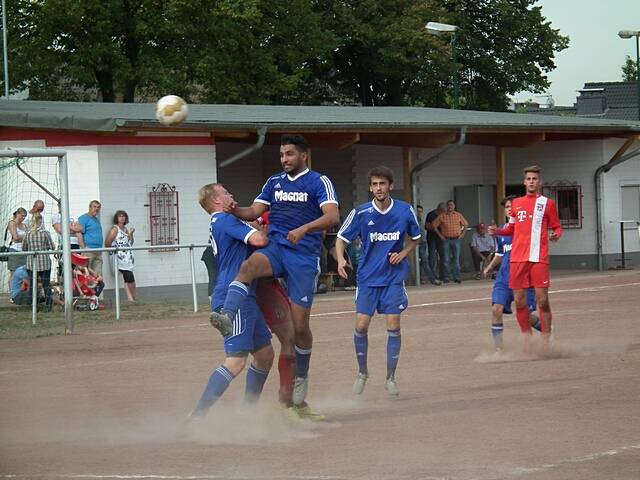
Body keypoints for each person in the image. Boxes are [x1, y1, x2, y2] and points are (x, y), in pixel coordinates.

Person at [210, 134, 339, 420]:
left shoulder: (319, 182)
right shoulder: (273, 182)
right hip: (277, 249)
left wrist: (305, 229)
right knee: (249, 268)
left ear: (304, 155)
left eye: (289, 154)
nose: (284, 159)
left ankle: (296, 389)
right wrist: (238, 210)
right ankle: (227, 315)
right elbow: (253, 211)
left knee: (299, 330)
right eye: (281, 155)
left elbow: (332, 217)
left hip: (303, 258)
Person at [189, 183, 274, 419]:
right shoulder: (226, 220)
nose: (231, 195)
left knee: (265, 355)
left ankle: (248, 411)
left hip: (247, 297)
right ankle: (198, 415)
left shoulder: (222, 222)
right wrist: (269, 227)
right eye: (226, 192)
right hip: (232, 297)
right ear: (216, 201)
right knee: (235, 362)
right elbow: (259, 240)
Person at [335, 166, 421, 396]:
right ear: (370, 187)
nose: (378, 188)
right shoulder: (361, 213)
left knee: (393, 326)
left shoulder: (404, 211)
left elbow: (415, 238)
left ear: (390, 186)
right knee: (361, 327)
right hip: (367, 279)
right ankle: (362, 372)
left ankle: (390, 378)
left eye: (382, 183)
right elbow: (341, 238)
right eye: (374, 184)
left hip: (393, 277)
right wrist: (341, 260)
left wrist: (403, 253)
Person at [489, 165, 562, 355]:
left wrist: (556, 234)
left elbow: (557, 227)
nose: (531, 181)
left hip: (538, 257)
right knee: (520, 301)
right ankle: (527, 338)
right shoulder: (517, 204)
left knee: (542, 300)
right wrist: (496, 231)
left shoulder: (548, 203)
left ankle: (546, 339)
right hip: (518, 259)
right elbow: (510, 229)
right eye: (528, 179)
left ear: (540, 182)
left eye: (534, 179)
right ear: (524, 182)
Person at [482, 196, 539, 352]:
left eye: (512, 206)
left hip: (525, 278)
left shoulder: (528, 229)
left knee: (525, 314)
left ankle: (543, 327)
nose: (509, 209)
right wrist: (490, 266)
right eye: (507, 207)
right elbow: (500, 253)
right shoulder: (501, 231)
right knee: (496, 310)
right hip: (504, 278)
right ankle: (499, 350)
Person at [21, 212, 55, 309]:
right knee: (46, 285)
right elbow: (52, 246)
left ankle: (31, 306)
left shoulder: (28, 234)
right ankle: (48, 306)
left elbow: (24, 248)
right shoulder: (45, 233)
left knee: (32, 286)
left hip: (31, 263)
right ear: (41, 221)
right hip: (44, 263)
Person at [432, 200, 468, 283]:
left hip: (456, 239)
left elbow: (466, 224)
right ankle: (446, 277)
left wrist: (463, 234)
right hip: (446, 240)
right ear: (446, 206)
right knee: (446, 259)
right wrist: (440, 235)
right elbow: (433, 225)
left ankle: (457, 277)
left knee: (456, 259)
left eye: (451, 205)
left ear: (454, 206)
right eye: (448, 205)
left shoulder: (458, 215)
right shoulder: (442, 216)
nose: (450, 207)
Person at [104, 210, 137, 302]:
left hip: (128, 256)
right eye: (120, 216)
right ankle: (132, 297)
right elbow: (107, 243)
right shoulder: (115, 229)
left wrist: (131, 234)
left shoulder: (126, 229)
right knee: (128, 276)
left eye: (123, 216)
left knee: (129, 278)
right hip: (119, 257)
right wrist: (114, 250)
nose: (122, 218)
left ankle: (132, 297)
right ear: (117, 218)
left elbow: (130, 242)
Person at [51, 208, 83, 278]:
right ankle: (64, 287)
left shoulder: (73, 215)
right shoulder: (56, 216)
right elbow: (60, 230)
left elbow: (80, 229)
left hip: (76, 245)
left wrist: (67, 227)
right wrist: (73, 228)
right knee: (65, 269)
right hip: (64, 245)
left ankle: (73, 287)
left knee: (75, 269)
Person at [416, 205, 441, 286]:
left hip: (423, 243)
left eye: (420, 211)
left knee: (423, 262)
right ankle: (432, 279)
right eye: (418, 211)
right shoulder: (412, 220)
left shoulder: (420, 221)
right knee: (424, 262)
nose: (419, 213)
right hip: (416, 244)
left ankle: (422, 278)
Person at [78, 200, 104, 276]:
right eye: (94, 206)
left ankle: (96, 288)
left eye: (98, 207)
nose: (96, 209)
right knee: (86, 273)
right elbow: (79, 233)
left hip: (98, 251)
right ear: (90, 207)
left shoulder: (96, 220)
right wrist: (84, 248)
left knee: (98, 275)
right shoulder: (83, 218)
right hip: (88, 250)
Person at [5, 208, 28, 293]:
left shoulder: (24, 225)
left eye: (25, 217)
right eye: (22, 216)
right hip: (14, 250)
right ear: (17, 214)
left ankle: (21, 292)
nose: (23, 218)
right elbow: (15, 238)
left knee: (23, 273)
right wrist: (25, 237)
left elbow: (21, 238)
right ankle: (12, 294)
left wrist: (22, 238)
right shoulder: (12, 223)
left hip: (24, 251)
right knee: (13, 273)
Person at [425, 202, 446, 280]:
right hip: (432, 238)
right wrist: (435, 226)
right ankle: (432, 276)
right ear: (439, 209)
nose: (445, 212)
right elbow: (426, 226)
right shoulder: (431, 215)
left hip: (442, 238)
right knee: (432, 258)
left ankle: (443, 275)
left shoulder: (445, 215)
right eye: (443, 210)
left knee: (443, 257)